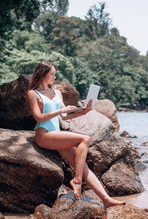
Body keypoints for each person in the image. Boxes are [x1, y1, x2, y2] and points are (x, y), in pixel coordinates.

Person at [27, 61, 125, 208]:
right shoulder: (33, 94)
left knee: (82, 165)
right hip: (44, 135)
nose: (54, 76)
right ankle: (77, 181)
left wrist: (83, 111)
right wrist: (60, 111)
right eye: (52, 74)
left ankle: (106, 199)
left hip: (57, 136)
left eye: (55, 74)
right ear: (42, 74)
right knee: (84, 139)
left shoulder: (56, 92)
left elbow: (65, 116)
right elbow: (39, 117)